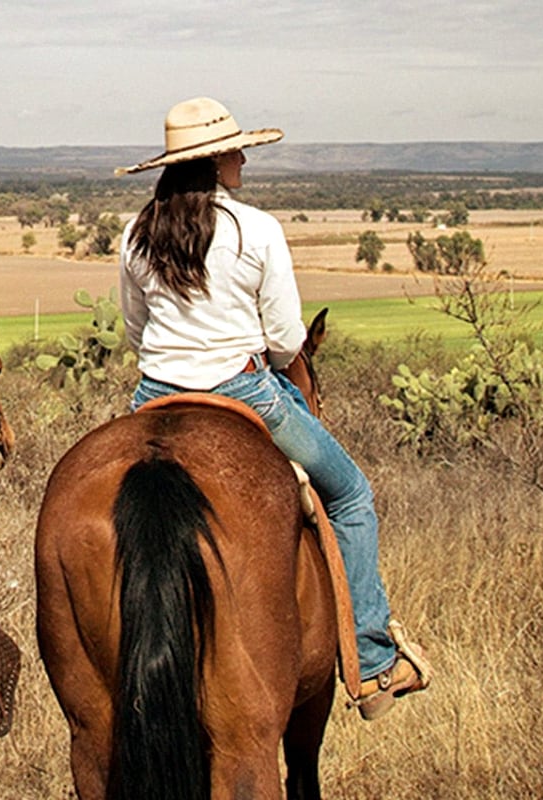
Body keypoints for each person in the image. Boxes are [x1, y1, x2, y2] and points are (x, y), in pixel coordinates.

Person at [116, 96, 431, 720]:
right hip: (243, 391)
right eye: (235, 151)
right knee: (350, 494)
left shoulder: (135, 232)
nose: (242, 160)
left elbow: (133, 331)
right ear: (216, 160)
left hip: (153, 394)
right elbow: (287, 341)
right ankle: (371, 662)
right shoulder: (256, 229)